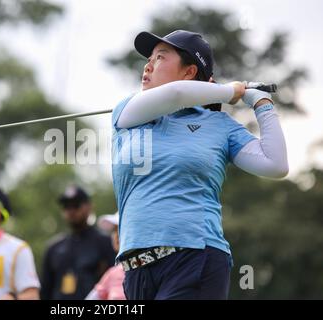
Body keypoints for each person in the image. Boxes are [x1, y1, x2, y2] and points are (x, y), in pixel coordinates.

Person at [111, 30, 288, 300]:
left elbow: (276, 165)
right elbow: (177, 94)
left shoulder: (219, 126)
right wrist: (231, 91)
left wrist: (262, 104)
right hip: (136, 271)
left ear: (189, 71)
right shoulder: (128, 113)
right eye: (149, 58)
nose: (148, 65)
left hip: (196, 257)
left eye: (160, 57)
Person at [40, 186, 116, 300]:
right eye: (66, 207)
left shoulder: (106, 243)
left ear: (89, 207)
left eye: (76, 205)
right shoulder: (54, 248)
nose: (71, 211)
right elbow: (45, 291)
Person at [85, 212, 126, 300]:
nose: (116, 235)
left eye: (122, 229)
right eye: (114, 230)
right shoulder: (113, 273)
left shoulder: (152, 269)